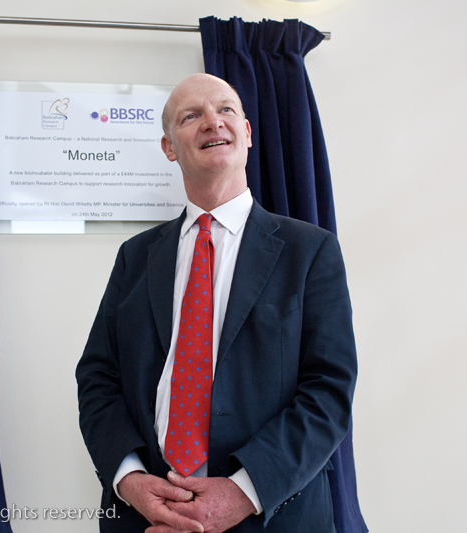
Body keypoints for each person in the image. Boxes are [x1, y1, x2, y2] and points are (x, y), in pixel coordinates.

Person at [76, 73, 358, 533]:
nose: (212, 121)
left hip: (271, 514)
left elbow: (328, 390)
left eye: (226, 109)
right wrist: (129, 480)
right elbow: (97, 378)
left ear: (246, 133)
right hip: (147, 516)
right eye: (191, 116)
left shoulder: (310, 251)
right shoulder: (136, 257)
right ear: (169, 147)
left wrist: (245, 491)